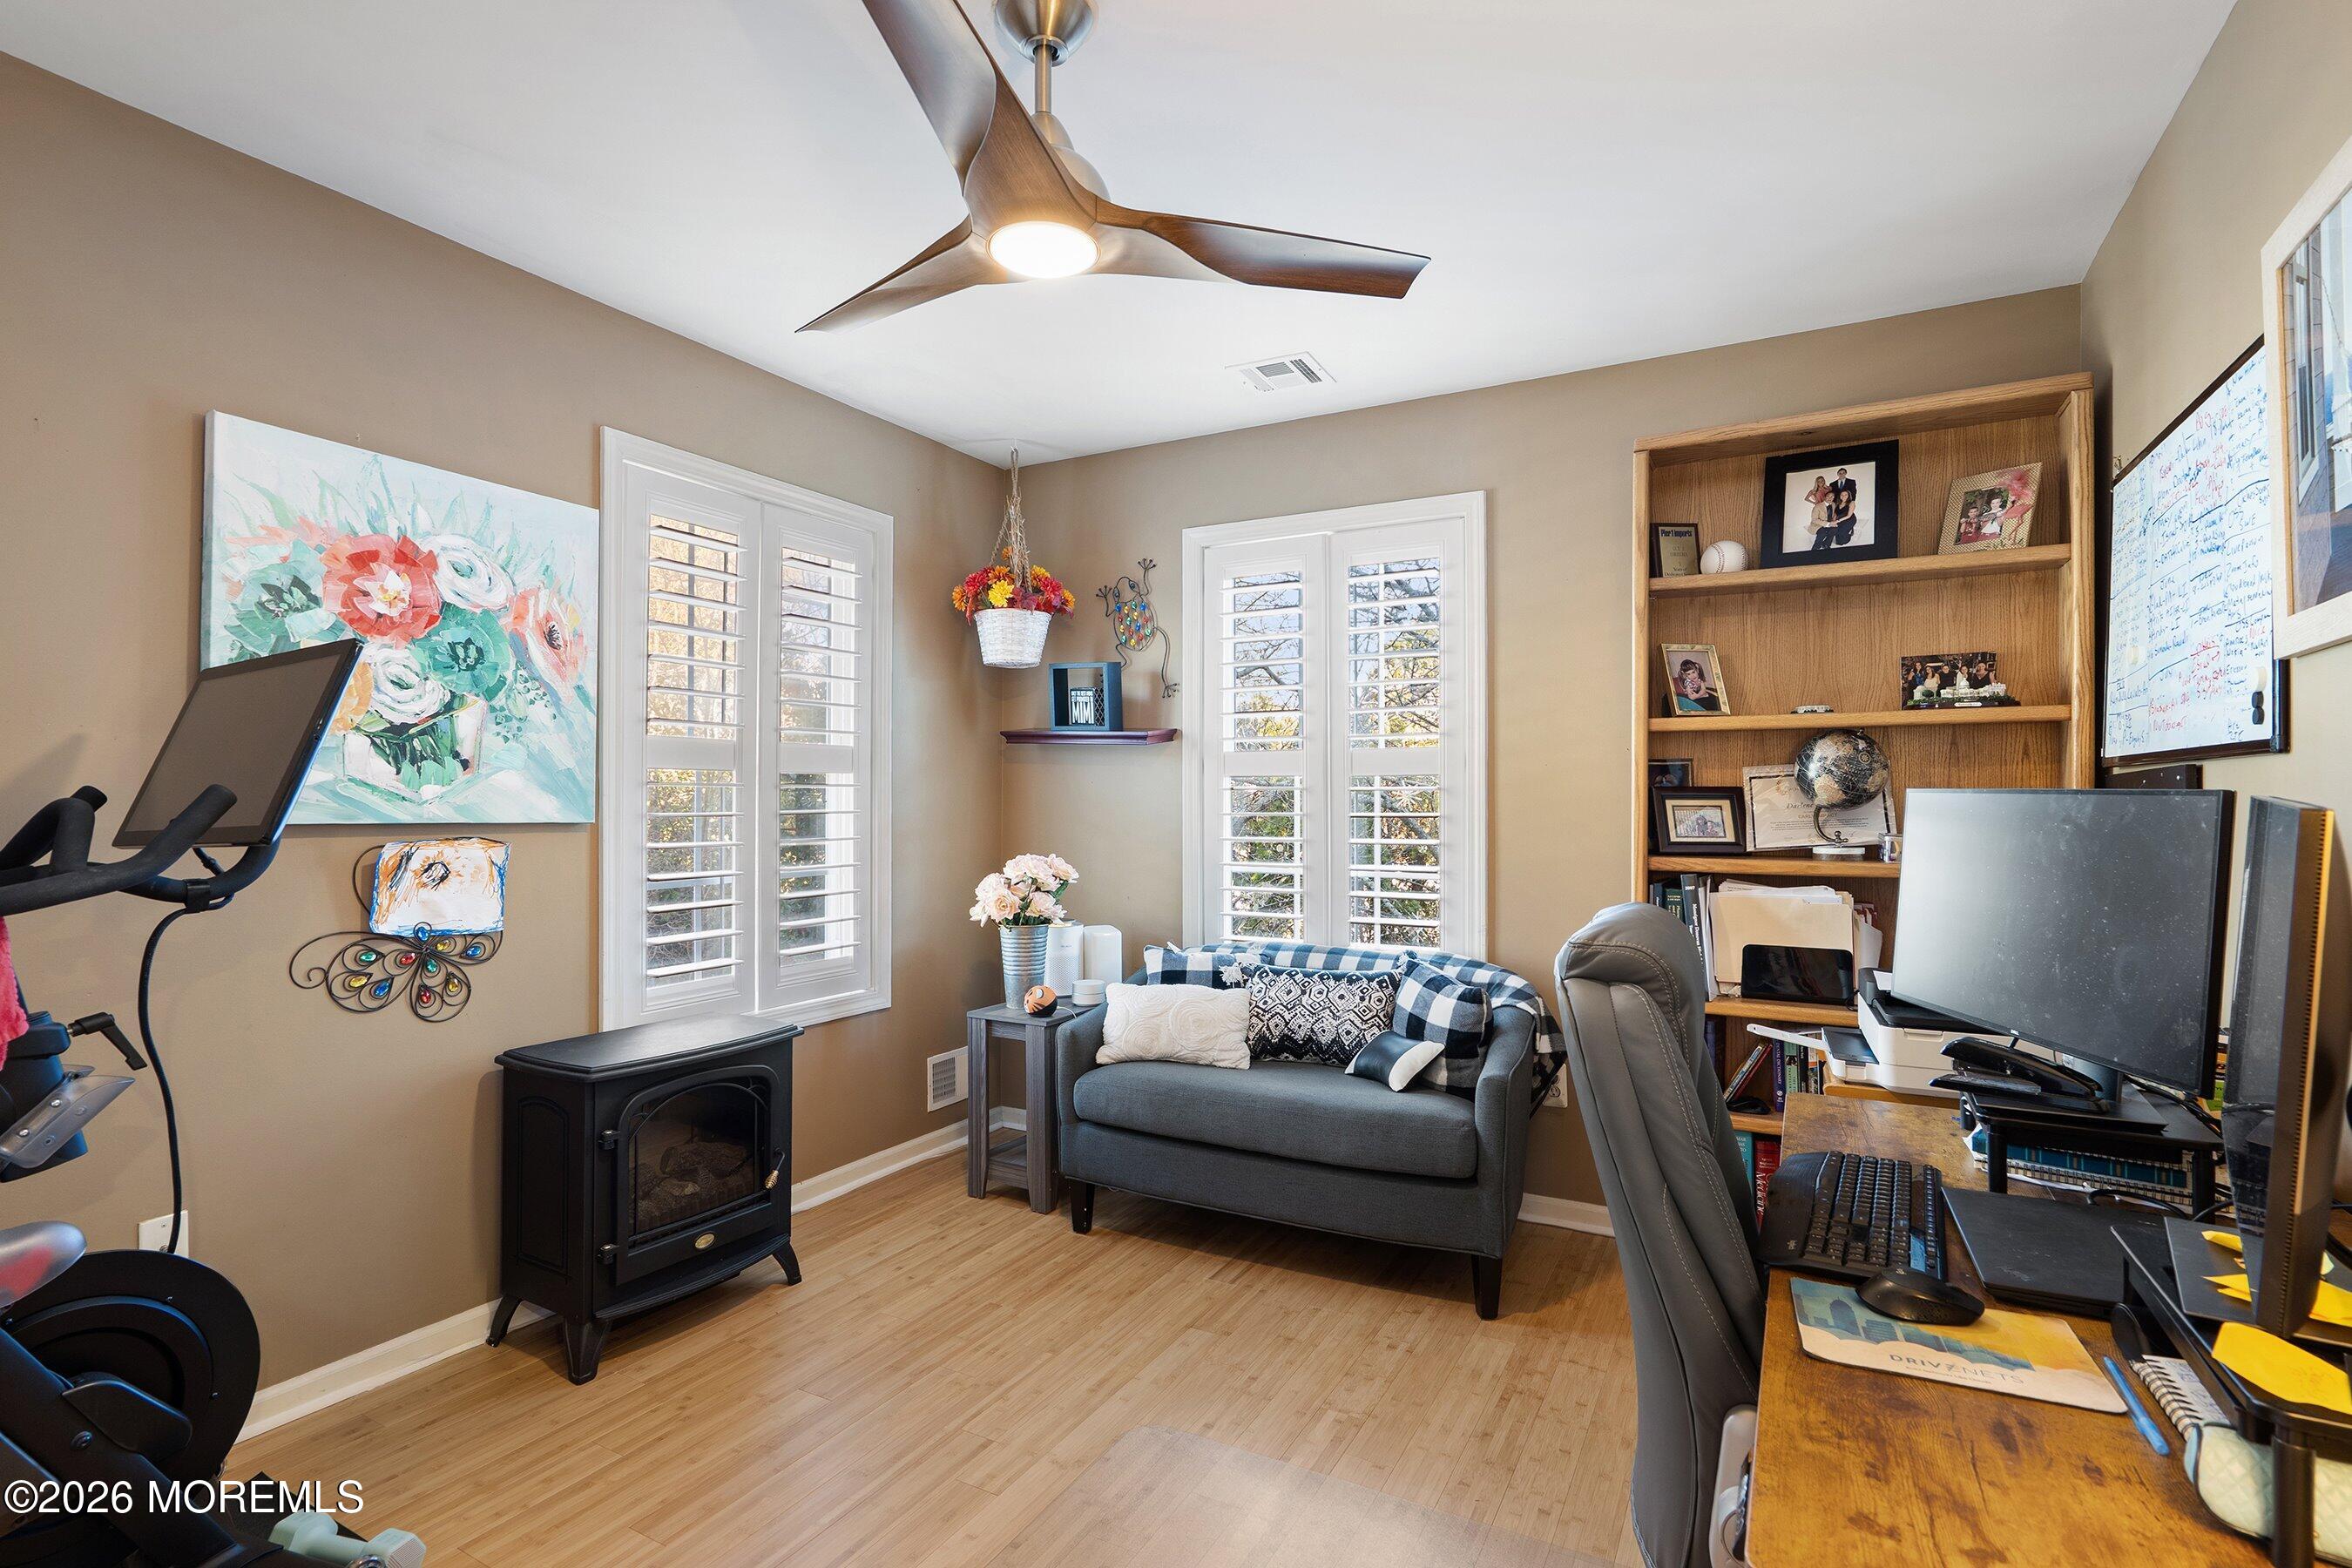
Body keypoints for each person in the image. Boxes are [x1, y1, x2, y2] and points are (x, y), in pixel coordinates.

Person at [1829, 466, 1861, 544]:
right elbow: (1832, 495)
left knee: (1841, 536)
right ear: (1838, 474)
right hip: (1839, 508)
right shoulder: (1832, 484)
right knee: (1837, 533)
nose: (1841, 474)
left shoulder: (1851, 482)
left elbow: (1854, 492)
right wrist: (1834, 519)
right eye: (1840, 473)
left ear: (1846, 473)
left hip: (1848, 516)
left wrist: (1850, 502)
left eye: (1843, 473)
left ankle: (1849, 533)